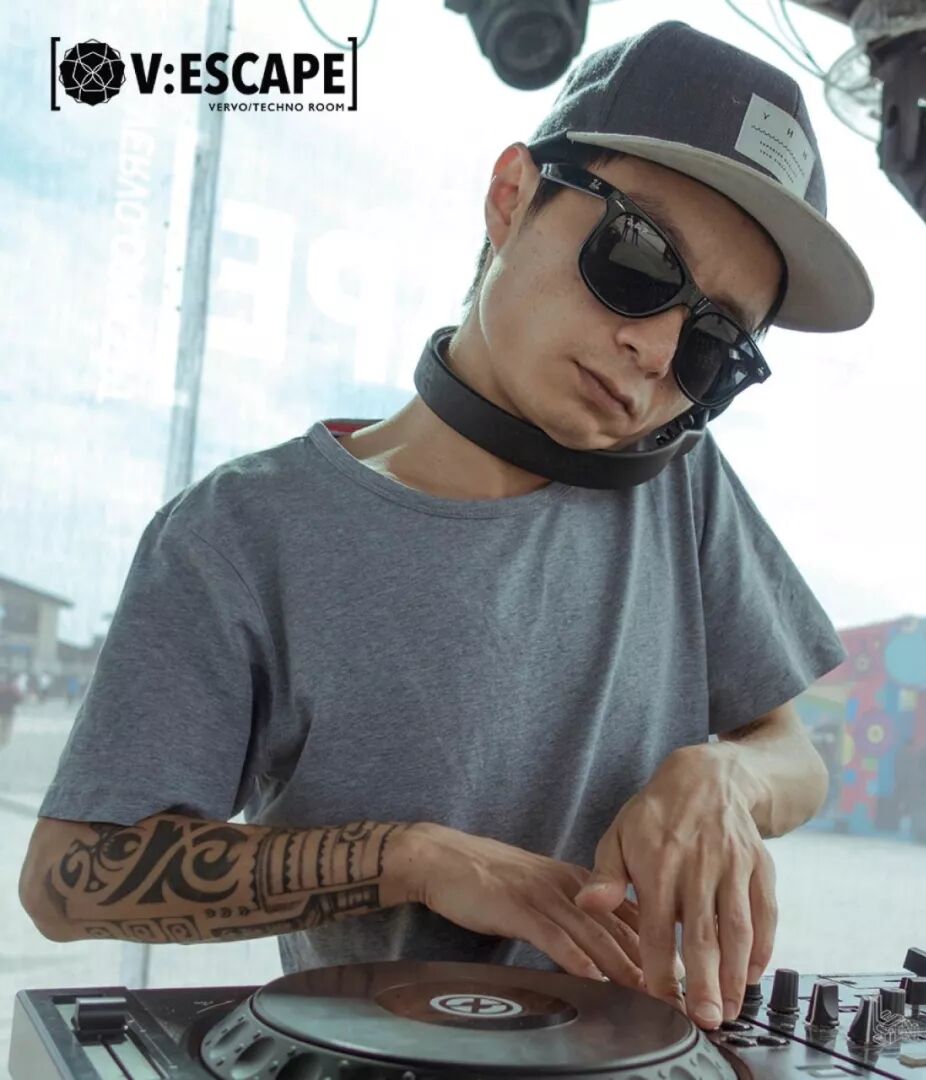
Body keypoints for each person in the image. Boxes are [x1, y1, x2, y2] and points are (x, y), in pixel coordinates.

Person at [19, 21, 872, 1034]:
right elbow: (68, 879)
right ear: (512, 197)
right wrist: (414, 860)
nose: (655, 351)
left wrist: (726, 777)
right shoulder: (242, 533)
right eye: (639, 260)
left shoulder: (681, 485)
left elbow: (794, 756)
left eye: (716, 346)